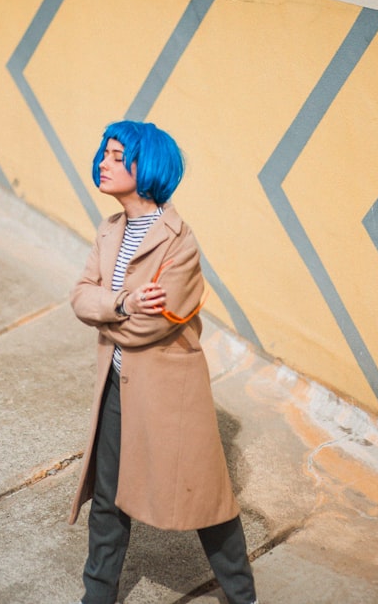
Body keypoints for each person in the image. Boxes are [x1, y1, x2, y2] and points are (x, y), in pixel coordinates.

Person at [68, 120, 258, 604]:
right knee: (108, 504)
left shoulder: (180, 242)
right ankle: (98, 597)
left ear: (145, 164)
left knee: (203, 499)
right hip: (117, 388)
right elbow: (80, 297)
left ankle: (242, 596)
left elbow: (151, 327)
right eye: (104, 153)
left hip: (169, 396)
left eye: (116, 155)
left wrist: (110, 309)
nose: (103, 163)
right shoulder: (110, 231)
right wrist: (126, 303)